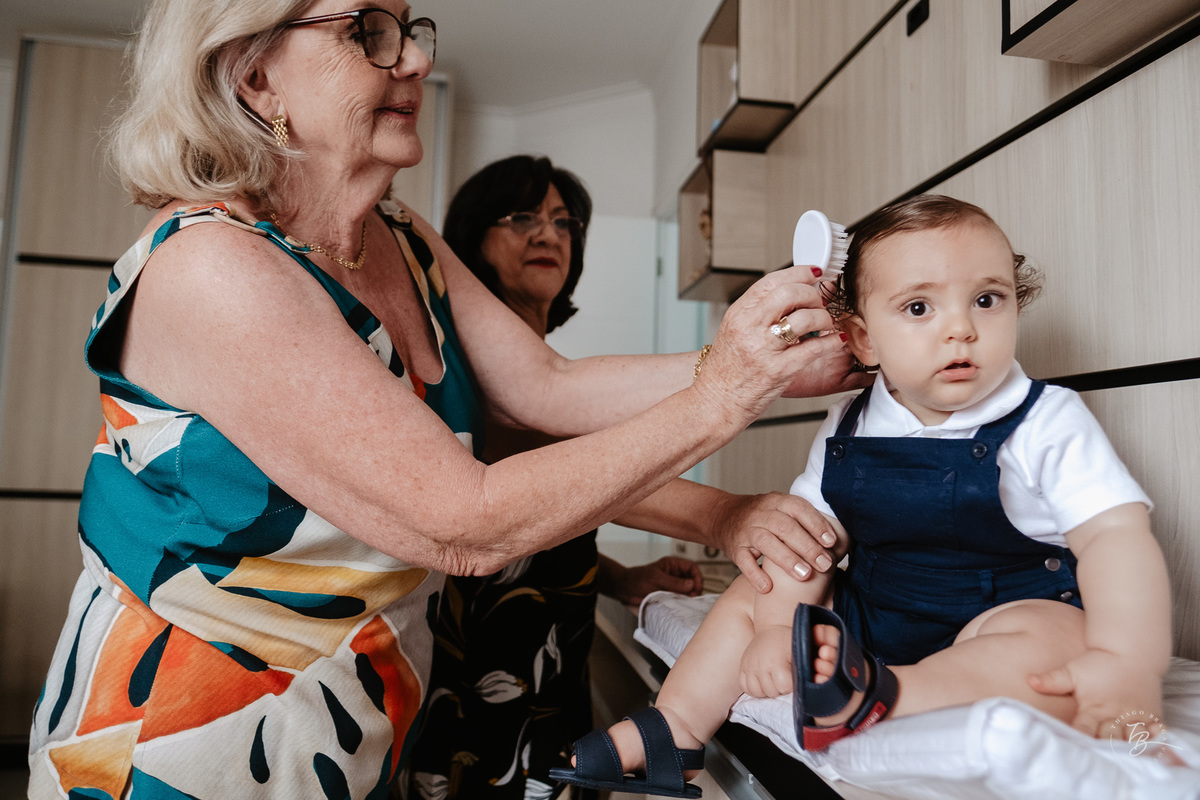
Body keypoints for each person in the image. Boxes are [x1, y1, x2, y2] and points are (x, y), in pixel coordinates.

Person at [26, 2, 866, 798]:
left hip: (365, 711)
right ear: (254, 76)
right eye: (369, 31)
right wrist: (723, 396)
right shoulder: (212, 268)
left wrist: (779, 363)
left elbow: (546, 390)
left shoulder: (401, 234)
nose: (417, 58)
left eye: (410, 28)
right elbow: (464, 521)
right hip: (188, 734)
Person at [549, 194, 1172, 798]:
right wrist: (774, 629)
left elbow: (1117, 539)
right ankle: (675, 729)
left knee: (1056, 642)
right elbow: (810, 545)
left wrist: (1126, 663)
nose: (961, 329)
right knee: (763, 576)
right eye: (919, 308)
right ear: (863, 340)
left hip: (1002, 614)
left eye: (987, 299)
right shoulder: (850, 423)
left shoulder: (1046, 420)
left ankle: (890, 694)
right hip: (875, 616)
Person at [407, 154, 713, 800]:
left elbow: (545, 526)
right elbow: (589, 468)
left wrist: (625, 580)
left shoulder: (554, 377)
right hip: (491, 667)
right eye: (521, 217)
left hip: (553, 666)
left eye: (562, 221)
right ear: (471, 241)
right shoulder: (477, 371)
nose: (548, 233)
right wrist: (733, 514)